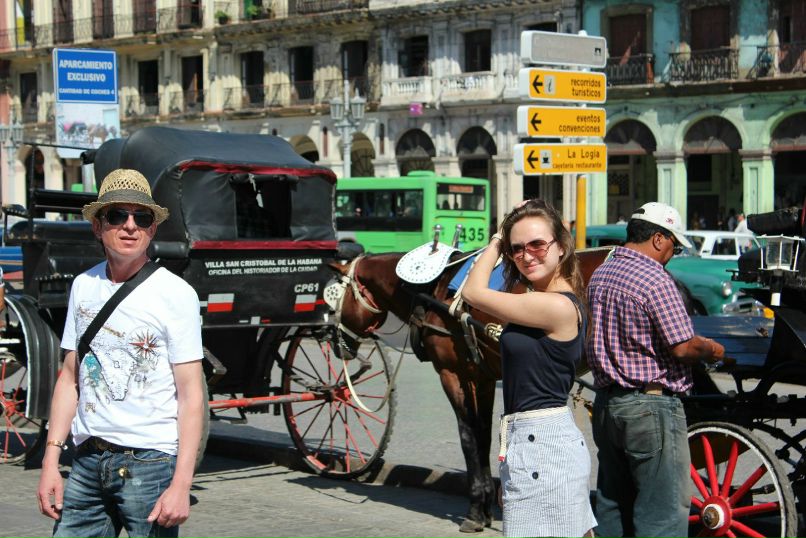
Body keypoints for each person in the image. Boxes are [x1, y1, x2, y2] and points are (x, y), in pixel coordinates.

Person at [37, 169, 205, 538]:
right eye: (117, 216)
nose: (130, 226)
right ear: (98, 226)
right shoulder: (83, 286)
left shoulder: (175, 294)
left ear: (152, 229)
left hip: (150, 462)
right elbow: (70, 376)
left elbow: (192, 396)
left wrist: (181, 485)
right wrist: (51, 460)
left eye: (141, 218)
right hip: (86, 459)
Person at [587, 202, 725, 538]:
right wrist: (712, 349)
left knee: (612, 503)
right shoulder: (654, 278)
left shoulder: (601, 272)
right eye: (674, 247)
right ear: (659, 239)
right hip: (651, 408)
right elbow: (682, 347)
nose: (673, 255)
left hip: (608, 405)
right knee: (662, 512)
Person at [462, 199, 596, 538]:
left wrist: (496, 239)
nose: (526, 254)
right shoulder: (540, 297)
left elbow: (473, 291)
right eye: (516, 248)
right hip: (530, 441)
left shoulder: (554, 305)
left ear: (562, 246)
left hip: (544, 444)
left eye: (537, 243)